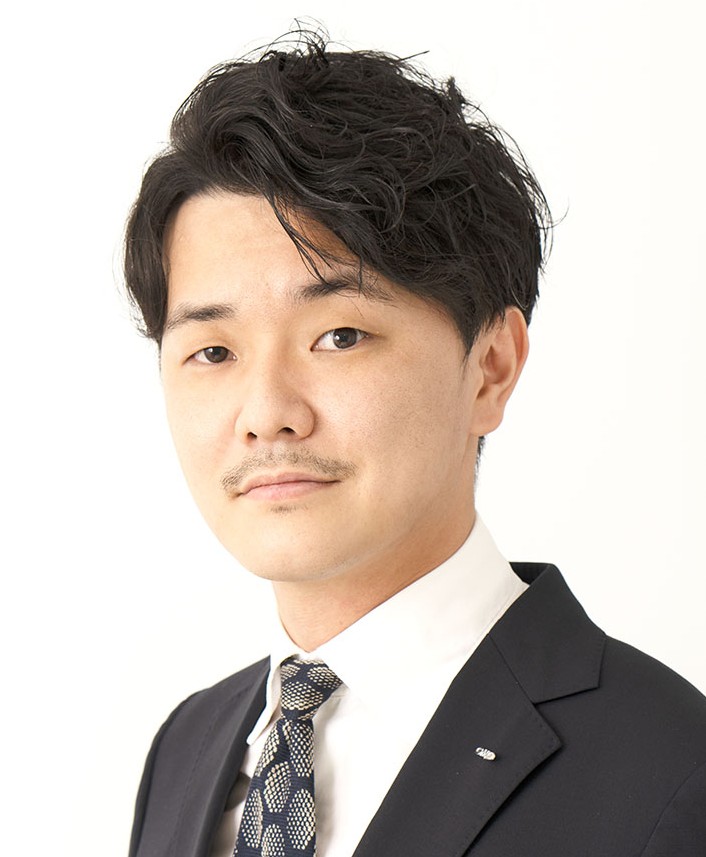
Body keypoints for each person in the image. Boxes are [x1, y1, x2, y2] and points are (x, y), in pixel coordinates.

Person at [124, 32, 706, 857]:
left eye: (339, 336)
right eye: (213, 351)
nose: (266, 413)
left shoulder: (672, 774)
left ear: (490, 368)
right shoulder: (187, 748)